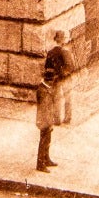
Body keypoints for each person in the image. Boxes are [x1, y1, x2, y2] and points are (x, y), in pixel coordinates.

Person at [36, 30, 72, 171]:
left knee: (48, 138)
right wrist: (47, 121)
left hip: (47, 118)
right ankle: (41, 163)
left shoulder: (47, 87)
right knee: (44, 139)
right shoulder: (43, 90)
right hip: (44, 120)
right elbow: (44, 106)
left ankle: (47, 158)